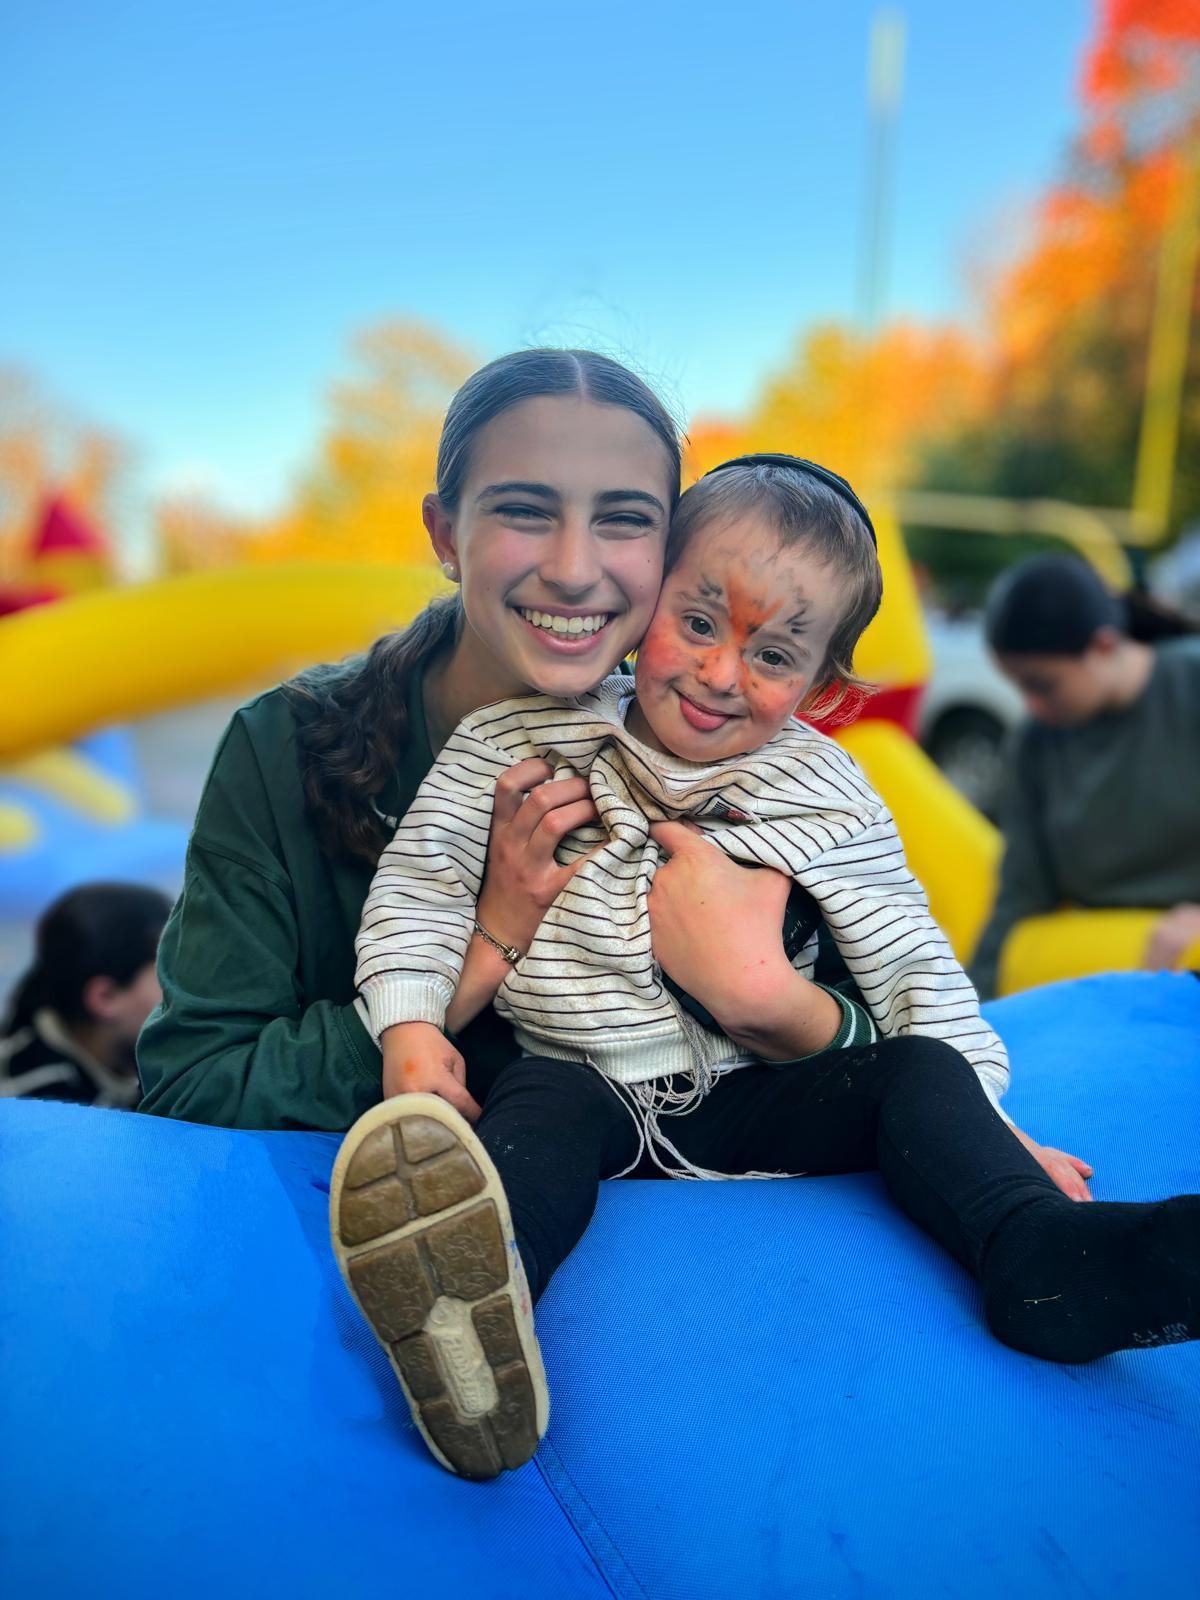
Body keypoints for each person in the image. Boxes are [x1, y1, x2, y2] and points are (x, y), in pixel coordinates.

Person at [330, 458, 1199, 1482]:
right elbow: (420, 887)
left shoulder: (825, 788)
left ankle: (1043, 1259)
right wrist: (411, 1025)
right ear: (648, 595)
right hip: (575, 1071)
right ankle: (481, 1299)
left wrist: (996, 1129)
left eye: (774, 653)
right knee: (531, 1126)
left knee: (916, 1075)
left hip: (757, 1089)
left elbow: (910, 957)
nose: (721, 672)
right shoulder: (515, 739)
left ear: (823, 688)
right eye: (698, 623)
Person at [137, 349, 685, 1129]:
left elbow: (874, 1031)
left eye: (625, 519)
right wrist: (451, 979)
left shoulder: (731, 748)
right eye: (524, 510)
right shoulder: (281, 747)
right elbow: (197, 1086)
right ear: (446, 535)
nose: (572, 569)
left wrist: (773, 998)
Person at [971, 554, 1200, 998]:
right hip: (1108, 972)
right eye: (1019, 687)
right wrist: (963, 1014)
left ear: (1104, 646)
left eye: (1043, 685)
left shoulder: (1190, 684)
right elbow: (1021, 893)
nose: (1031, 705)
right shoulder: (1035, 743)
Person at [2, 882, 170, 1106]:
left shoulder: (113, 1057)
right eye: (168, 974)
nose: (186, 991)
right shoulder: (38, 1103)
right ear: (105, 997)